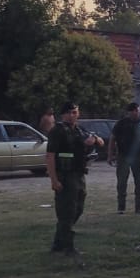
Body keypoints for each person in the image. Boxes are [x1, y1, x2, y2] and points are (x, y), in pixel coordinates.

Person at [45, 102, 103, 256]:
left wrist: (94, 140)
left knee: (78, 208)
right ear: (63, 114)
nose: (72, 115)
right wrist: (54, 180)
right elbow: (50, 156)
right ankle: (68, 247)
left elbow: (100, 142)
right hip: (65, 174)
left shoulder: (79, 129)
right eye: (69, 113)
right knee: (67, 211)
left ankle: (58, 243)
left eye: (75, 112)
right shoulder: (58, 131)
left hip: (78, 173)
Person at [109, 102, 140, 214]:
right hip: (123, 156)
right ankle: (121, 207)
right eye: (133, 110)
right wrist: (110, 155)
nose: (135, 113)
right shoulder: (121, 124)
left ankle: (139, 207)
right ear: (128, 112)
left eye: (137, 110)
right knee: (122, 183)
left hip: (138, 157)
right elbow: (112, 139)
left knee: (139, 182)